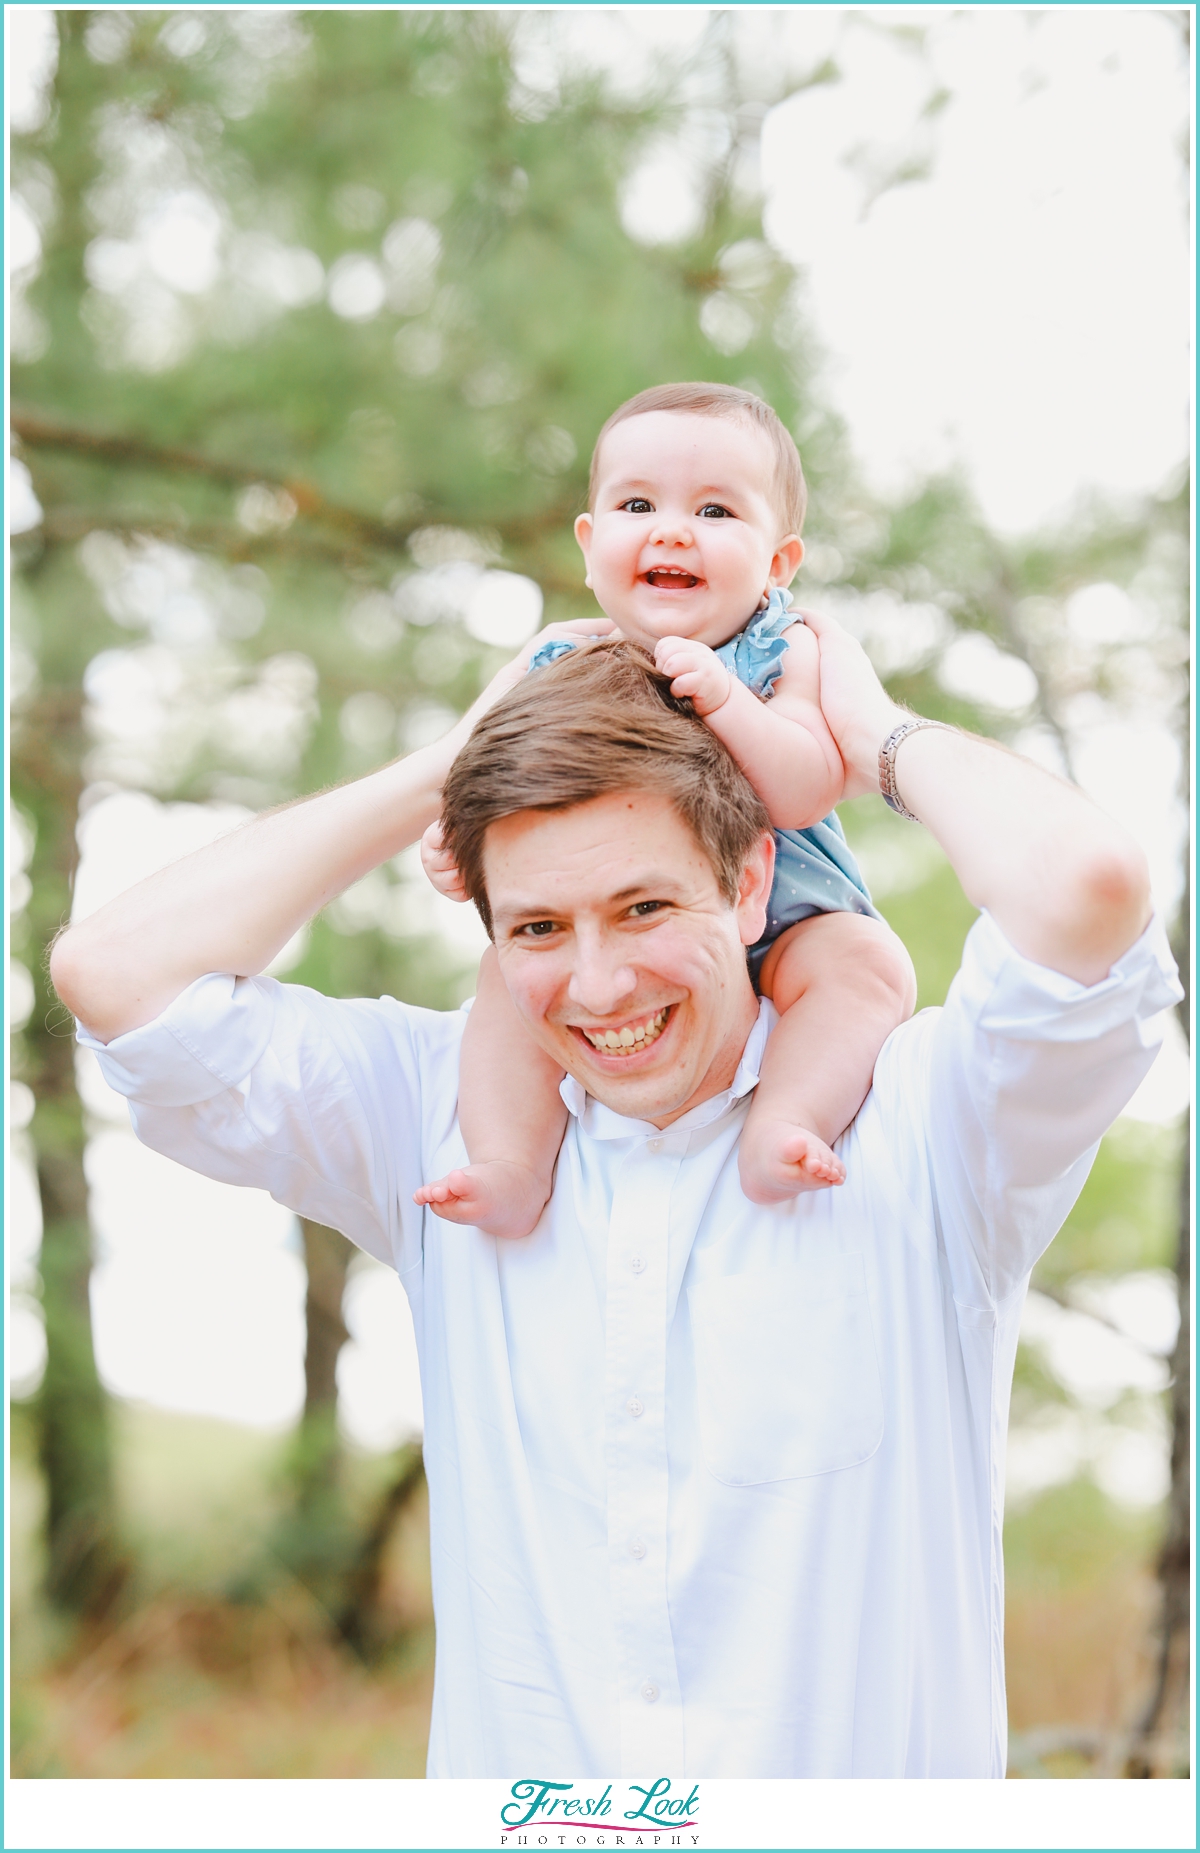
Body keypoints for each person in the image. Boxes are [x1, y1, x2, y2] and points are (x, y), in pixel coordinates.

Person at [51, 610, 1178, 1778]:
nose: (597, 984)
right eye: (537, 926)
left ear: (750, 886)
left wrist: (877, 737)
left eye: (644, 908)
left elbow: (1088, 888)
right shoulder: (438, 1124)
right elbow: (117, 975)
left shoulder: (932, 1125)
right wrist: (457, 760)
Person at [416, 382, 916, 1238]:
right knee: (505, 984)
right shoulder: (558, 662)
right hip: (612, 920)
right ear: (590, 541)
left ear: (778, 562)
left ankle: (786, 1122)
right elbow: (481, 787)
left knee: (867, 966)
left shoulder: (781, 649)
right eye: (637, 503)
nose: (672, 529)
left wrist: (729, 699)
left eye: (716, 510)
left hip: (792, 909)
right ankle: (508, 1162)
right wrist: (449, 845)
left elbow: (803, 788)